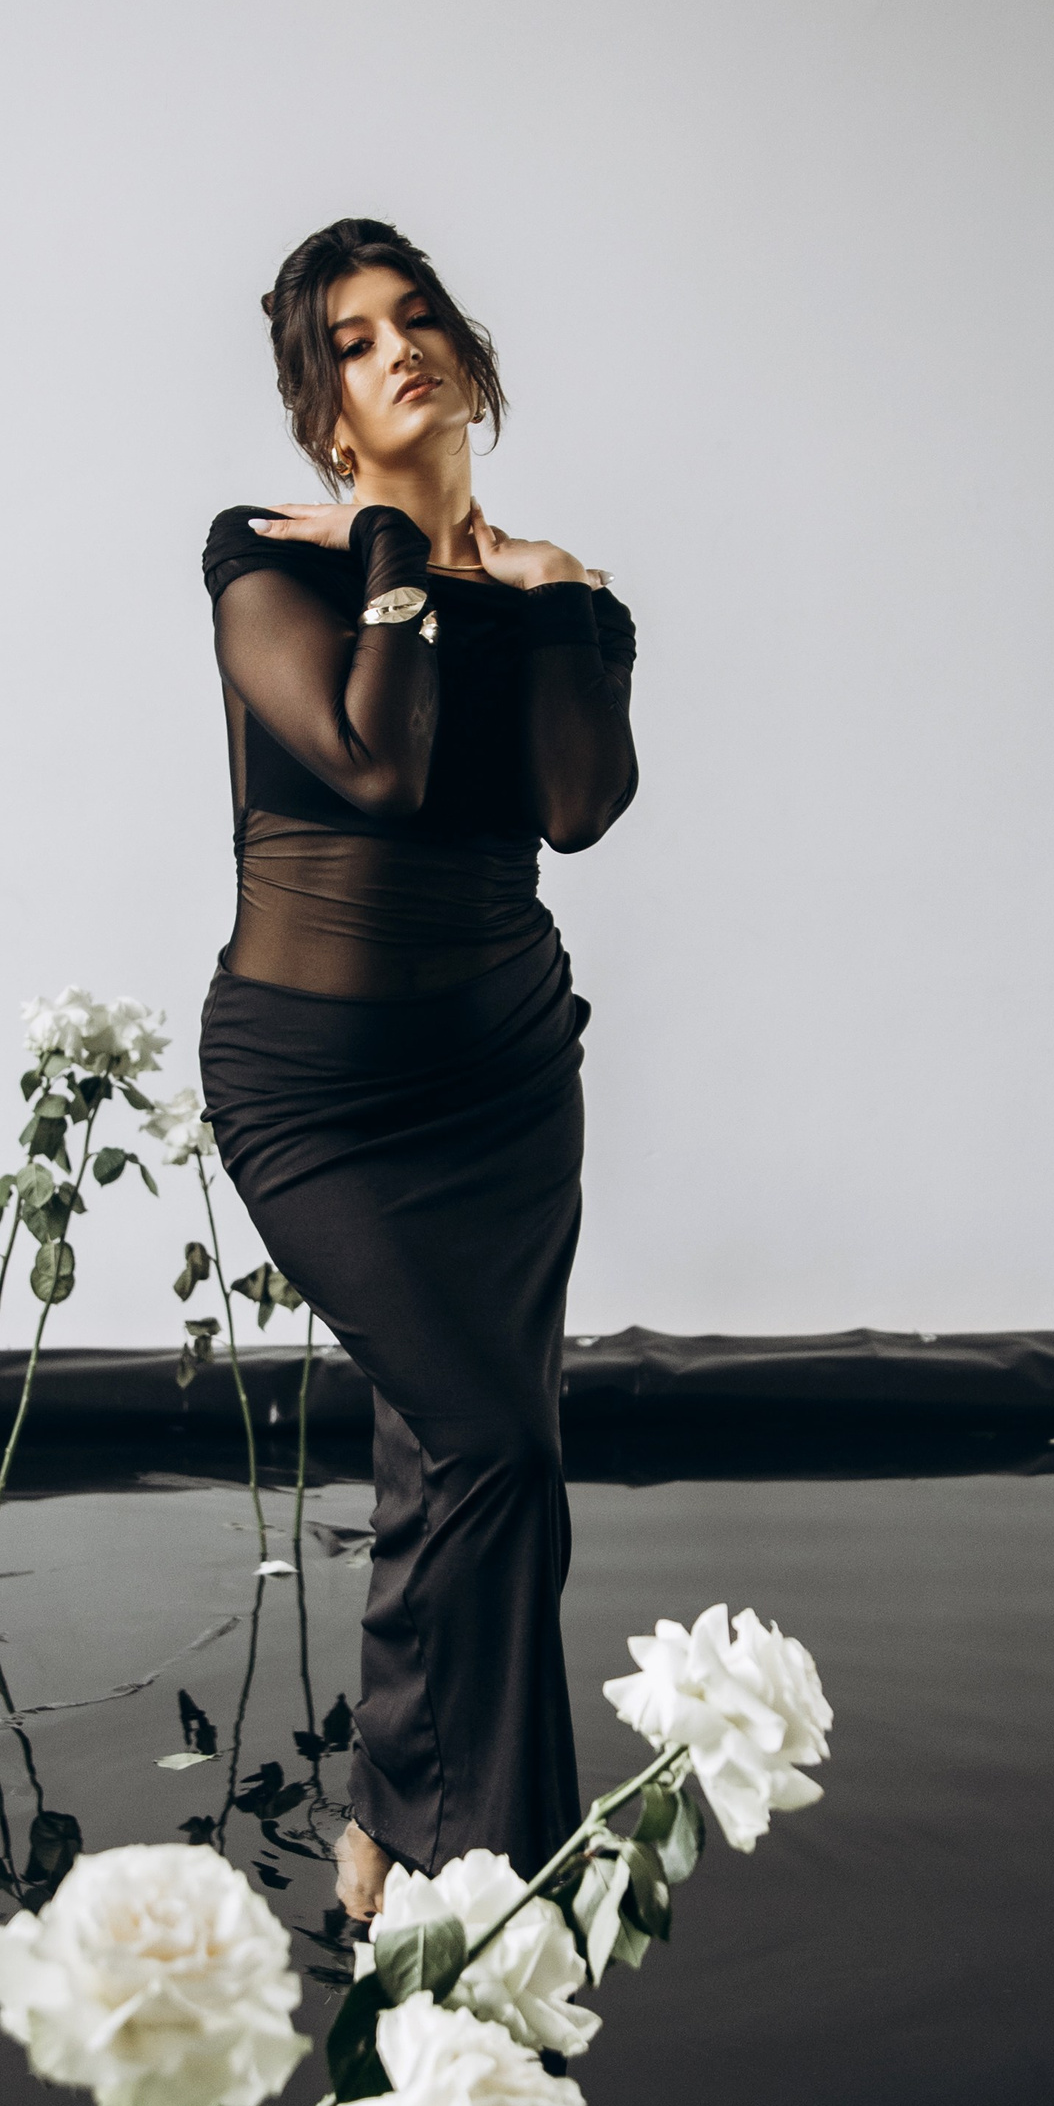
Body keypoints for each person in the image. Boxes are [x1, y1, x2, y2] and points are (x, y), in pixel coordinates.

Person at [198, 217, 638, 1921]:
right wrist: (394, 548)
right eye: (356, 340)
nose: (402, 350)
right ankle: (500, 1854)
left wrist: (565, 596)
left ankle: (406, 1827)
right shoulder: (269, 564)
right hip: (316, 1095)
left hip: (506, 1080)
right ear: (324, 411)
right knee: (491, 1450)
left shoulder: (546, 598)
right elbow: (375, 759)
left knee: (455, 1457)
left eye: (417, 317)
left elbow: (578, 809)